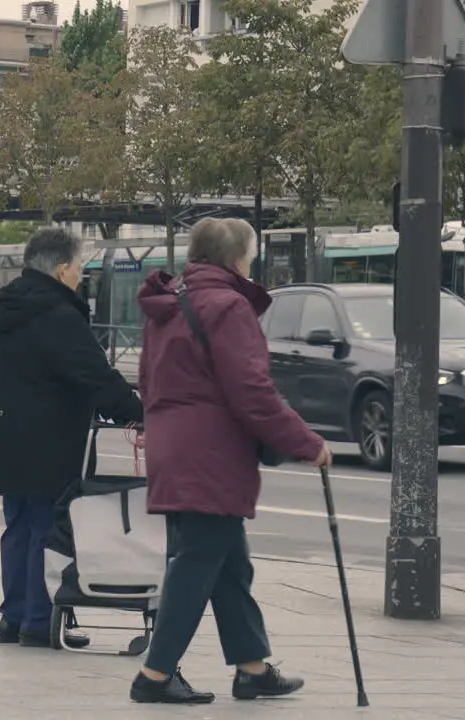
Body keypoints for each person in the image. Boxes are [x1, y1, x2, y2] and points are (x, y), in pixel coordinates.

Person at [129, 218, 331, 704]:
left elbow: (151, 378)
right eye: (251, 256)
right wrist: (306, 442)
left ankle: (252, 666)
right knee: (197, 564)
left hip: (175, 445)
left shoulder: (170, 303)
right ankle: (154, 676)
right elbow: (252, 391)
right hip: (210, 453)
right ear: (236, 259)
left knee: (227, 563)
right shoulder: (228, 305)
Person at [0, 227, 143, 649]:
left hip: (5, 435)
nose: (80, 277)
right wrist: (141, 413)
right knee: (45, 529)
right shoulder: (56, 314)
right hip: (47, 440)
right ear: (62, 269)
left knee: (17, 526)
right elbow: (94, 375)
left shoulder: (5, 311)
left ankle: (12, 617)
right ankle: (38, 621)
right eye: (79, 269)